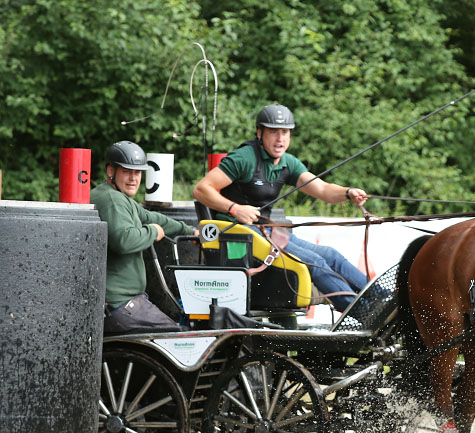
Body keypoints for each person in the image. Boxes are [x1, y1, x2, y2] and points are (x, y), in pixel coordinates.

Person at [192, 104, 373, 312]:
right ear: (260, 133)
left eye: (285, 133)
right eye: (273, 132)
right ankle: (362, 312)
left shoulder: (287, 163)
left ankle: (384, 302)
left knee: (331, 255)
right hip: (237, 234)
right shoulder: (244, 158)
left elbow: (322, 189)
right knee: (313, 261)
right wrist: (235, 208)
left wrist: (348, 193)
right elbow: (201, 189)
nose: (280, 139)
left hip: (265, 232)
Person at [91, 141, 198, 333]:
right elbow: (124, 240)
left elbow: (152, 217)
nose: (133, 178)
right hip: (120, 304)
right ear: (110, 171)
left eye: (138, 172)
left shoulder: (119, 198)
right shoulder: (112, 200)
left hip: (128, 302)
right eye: (127, 171)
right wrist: (153, 232)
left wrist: (189, 231)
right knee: (180, 338)